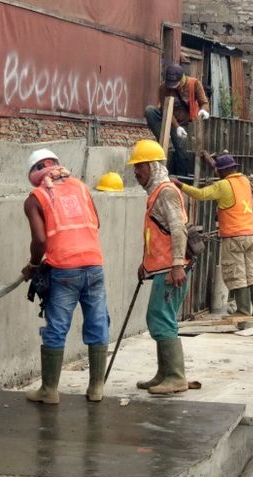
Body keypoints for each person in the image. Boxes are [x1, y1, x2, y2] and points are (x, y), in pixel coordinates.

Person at [21, 148, 110, 404]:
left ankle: (49, 390)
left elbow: (39, 240)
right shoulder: (81, 187)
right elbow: (97, 223)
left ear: (34, 174)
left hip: (63, 269)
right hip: (93, 263)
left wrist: (33, 265)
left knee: (57, 326)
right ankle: (96, 389)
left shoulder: (35, 198)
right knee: (97, 322)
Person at [127, 139, 191, 395]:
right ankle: (164, 373)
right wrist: (146, 265)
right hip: (161, 268)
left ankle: (175, 376)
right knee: (160, 318)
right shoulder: (156, 193)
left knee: (160, 318)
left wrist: (177, 265)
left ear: (152, 167)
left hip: (171, 270)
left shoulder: (165, 192)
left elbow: (178, 230)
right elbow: (157, 236)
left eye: (140, 167)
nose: (136, 172)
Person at [171, 151, 253, 317]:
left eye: (218, 171)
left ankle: (243, 311)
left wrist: (179, 184)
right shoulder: (244, 181)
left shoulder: (223, 186)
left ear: (223, 171)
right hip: (250, 234)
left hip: (234, 236)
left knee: (236, 274)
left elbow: (200, 194)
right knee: (251, 273)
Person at [144, 64, 210, 177]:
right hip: (166, 118)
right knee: (149, 111)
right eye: (171, 85)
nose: (173, 87)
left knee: (181, 151)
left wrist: (204, 111)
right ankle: (164, 140)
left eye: (176, 84)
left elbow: (204, 102)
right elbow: (165, 109)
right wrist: (175, 126)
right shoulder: (163, 88)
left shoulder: (194, 84)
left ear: (182, 78)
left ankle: (181, 180)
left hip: (183, 123)